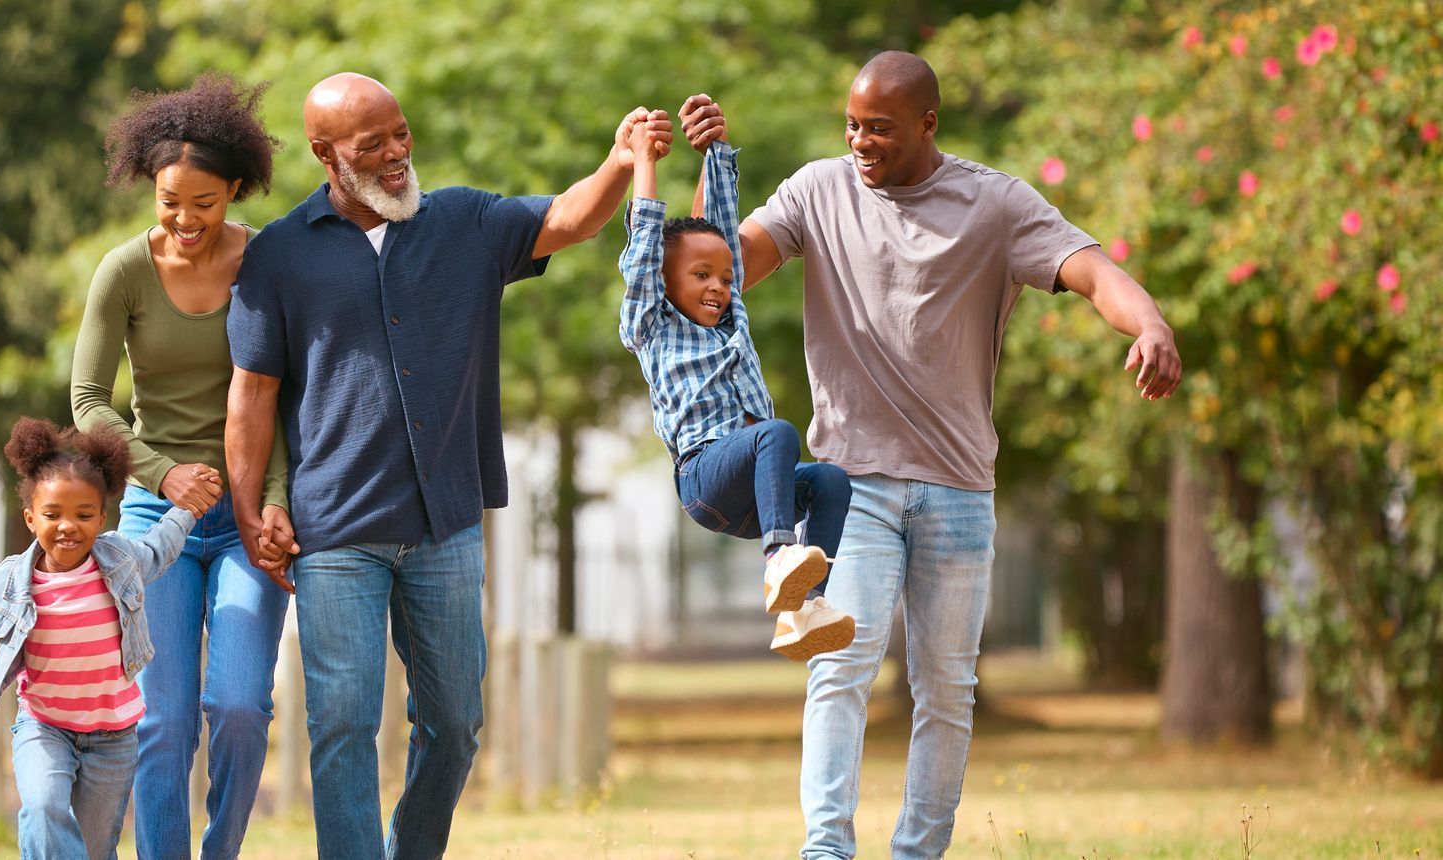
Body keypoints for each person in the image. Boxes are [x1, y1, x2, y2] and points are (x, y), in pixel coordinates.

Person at [678, 51, 1183, 859]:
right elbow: (719, 270)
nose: (859, 141)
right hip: (856, 482)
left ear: (927, 124)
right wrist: (712, 165)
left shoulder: (995, 203)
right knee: (839, 665)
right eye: (851, 124)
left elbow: (1090, 272)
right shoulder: (820, 190)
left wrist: (1150, 322)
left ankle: (918, 851)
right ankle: (827, 850)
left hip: (957, 490)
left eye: (878, 127)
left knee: (946, 692)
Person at [224, 73, 671, 859]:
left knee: (457, 722)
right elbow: (252, 397)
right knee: (342, 726)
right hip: (335, 533)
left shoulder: (463, 219)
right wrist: (251, 508)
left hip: (446, 526)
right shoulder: (279, 256)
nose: (397, 154)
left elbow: (568, 219)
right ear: (327, 155)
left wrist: (619, 161)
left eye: (401, 133)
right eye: (373, 145)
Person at [71, 72, 296, 860]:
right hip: (149, 516)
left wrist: (269, 502)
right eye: (170, 201)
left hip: (244, 521)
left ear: (235, 188)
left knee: (237, 705)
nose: (187, 218)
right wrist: (163, 474)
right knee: (160, 721)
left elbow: (287, 399)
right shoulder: (124, 272)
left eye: (205, 202)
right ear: (150, 187)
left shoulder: (267, 262)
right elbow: (89, 400)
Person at [617, 107, 855, 662]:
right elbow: (645, 243)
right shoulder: (650, 324)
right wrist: (644, 163)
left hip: (755, 494)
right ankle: (780, 557)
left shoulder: (733, 317)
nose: (718, 288)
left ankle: (806, 608)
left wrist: (716, 151)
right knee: (776, 432)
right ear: (664, 281)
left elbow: (723, 232)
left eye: (725, 278)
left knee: (831, 481)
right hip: (706, 479)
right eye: (701, 277)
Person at [0, 418, 195, 859]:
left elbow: (160, 547)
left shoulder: (120, 560)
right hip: (44, 726)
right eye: (53, 515)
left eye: (83, 515)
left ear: (101, 517)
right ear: (30, 517)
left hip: (113, 735)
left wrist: (188, 507)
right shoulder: (11, 582)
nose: (67, 527)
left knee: (93, 850)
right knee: (41, 810)